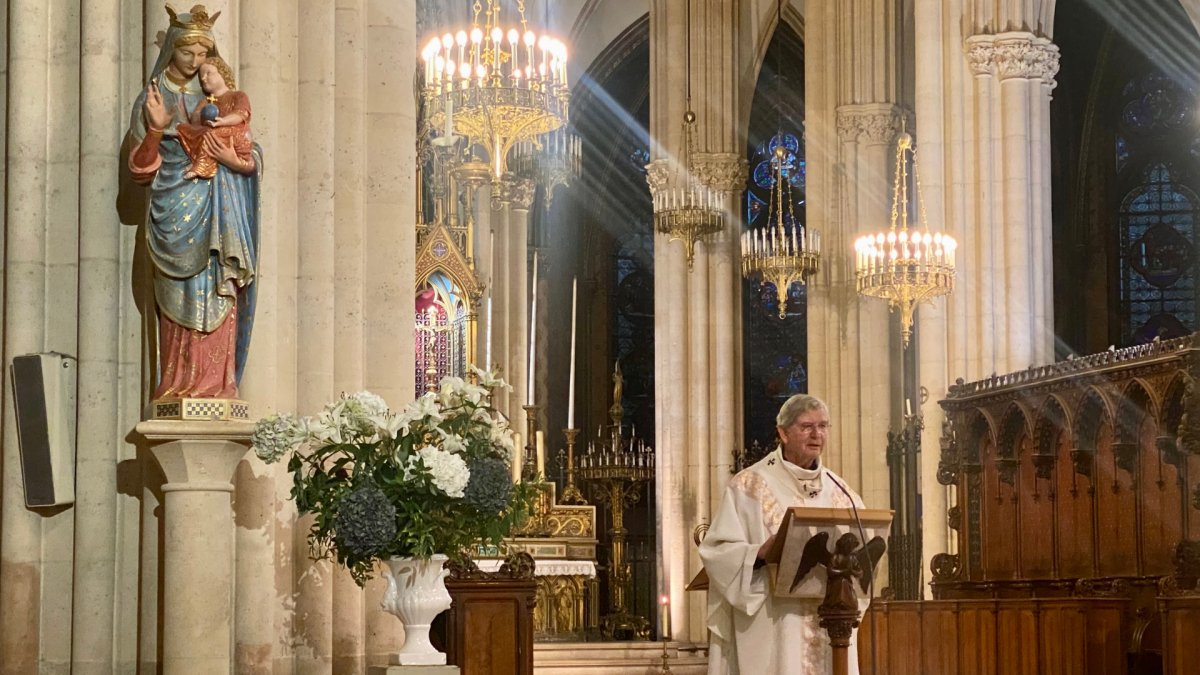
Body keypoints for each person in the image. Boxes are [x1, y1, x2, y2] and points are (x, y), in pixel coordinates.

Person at [127, 4, 260, 400]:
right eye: (189, 54)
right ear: (171, 49)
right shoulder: (153, 96)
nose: (198, 63)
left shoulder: (220, 96)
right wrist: (155, 128)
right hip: (174, 210)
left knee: (221, 288)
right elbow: (140, 169)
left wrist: (231, 158)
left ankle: (219, 386)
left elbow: (249, 147)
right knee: (179, 296)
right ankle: (177, 386)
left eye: (205, 56)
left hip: (220, 209)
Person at [699, 394, 867, 674]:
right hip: (774, 621)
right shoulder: (749, 486)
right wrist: (759, 553)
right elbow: (716, 551)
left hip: (831, 619)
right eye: (807, 426)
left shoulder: (842, 492)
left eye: (823, 426)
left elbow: (865, 551)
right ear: (783, 433)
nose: (817, 435)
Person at [177, 57, 253, 180]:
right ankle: (201, 159)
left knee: (210, 134)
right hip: (210, 134)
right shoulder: (205, 101)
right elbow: (196, 124)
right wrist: (198, 115)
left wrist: (223, 121)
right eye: (201, 76)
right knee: (182, 128)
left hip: (234, 135)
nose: (203, 78)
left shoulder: (238, 96)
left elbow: (241, 114)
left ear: (222, 73)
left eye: (208, 73)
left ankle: (202, 165)